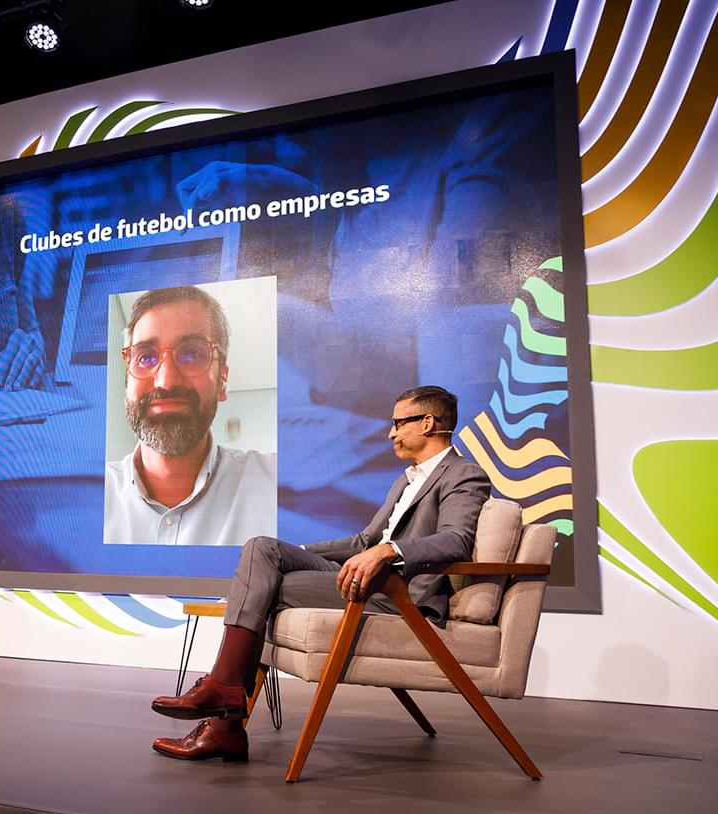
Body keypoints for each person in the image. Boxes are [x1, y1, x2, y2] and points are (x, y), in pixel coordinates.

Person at [149, 385, 490, 760]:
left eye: (399, 423)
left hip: (398, 593)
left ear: (427, 423)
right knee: (263, 549)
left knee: (262, 588)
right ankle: (223, 698)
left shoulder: (463, 474)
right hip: (366, 579)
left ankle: (223, 712)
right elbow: (363, 541)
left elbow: (456, 540)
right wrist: (299, 554)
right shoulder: (404, 481)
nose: (391, 433)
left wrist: (389, 550)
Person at [105, 286, 277, 546]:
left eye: (192, 354)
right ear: (127, 381)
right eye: (145, 357)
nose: (166, 381)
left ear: (222, 381)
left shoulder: (278, 485)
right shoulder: (79, 497)